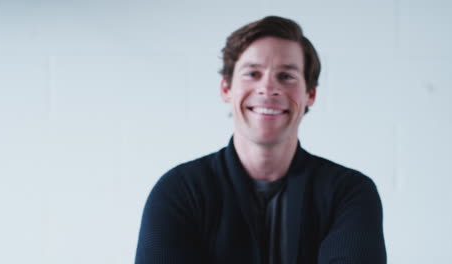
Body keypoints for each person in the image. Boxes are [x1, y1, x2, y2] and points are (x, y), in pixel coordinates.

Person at [135, 16, 386, 264]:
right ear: (226, 88)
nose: (267, 88)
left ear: (310, 94)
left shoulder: (349, 193)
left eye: (286, 76)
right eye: (253, 73)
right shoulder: (180, 191)